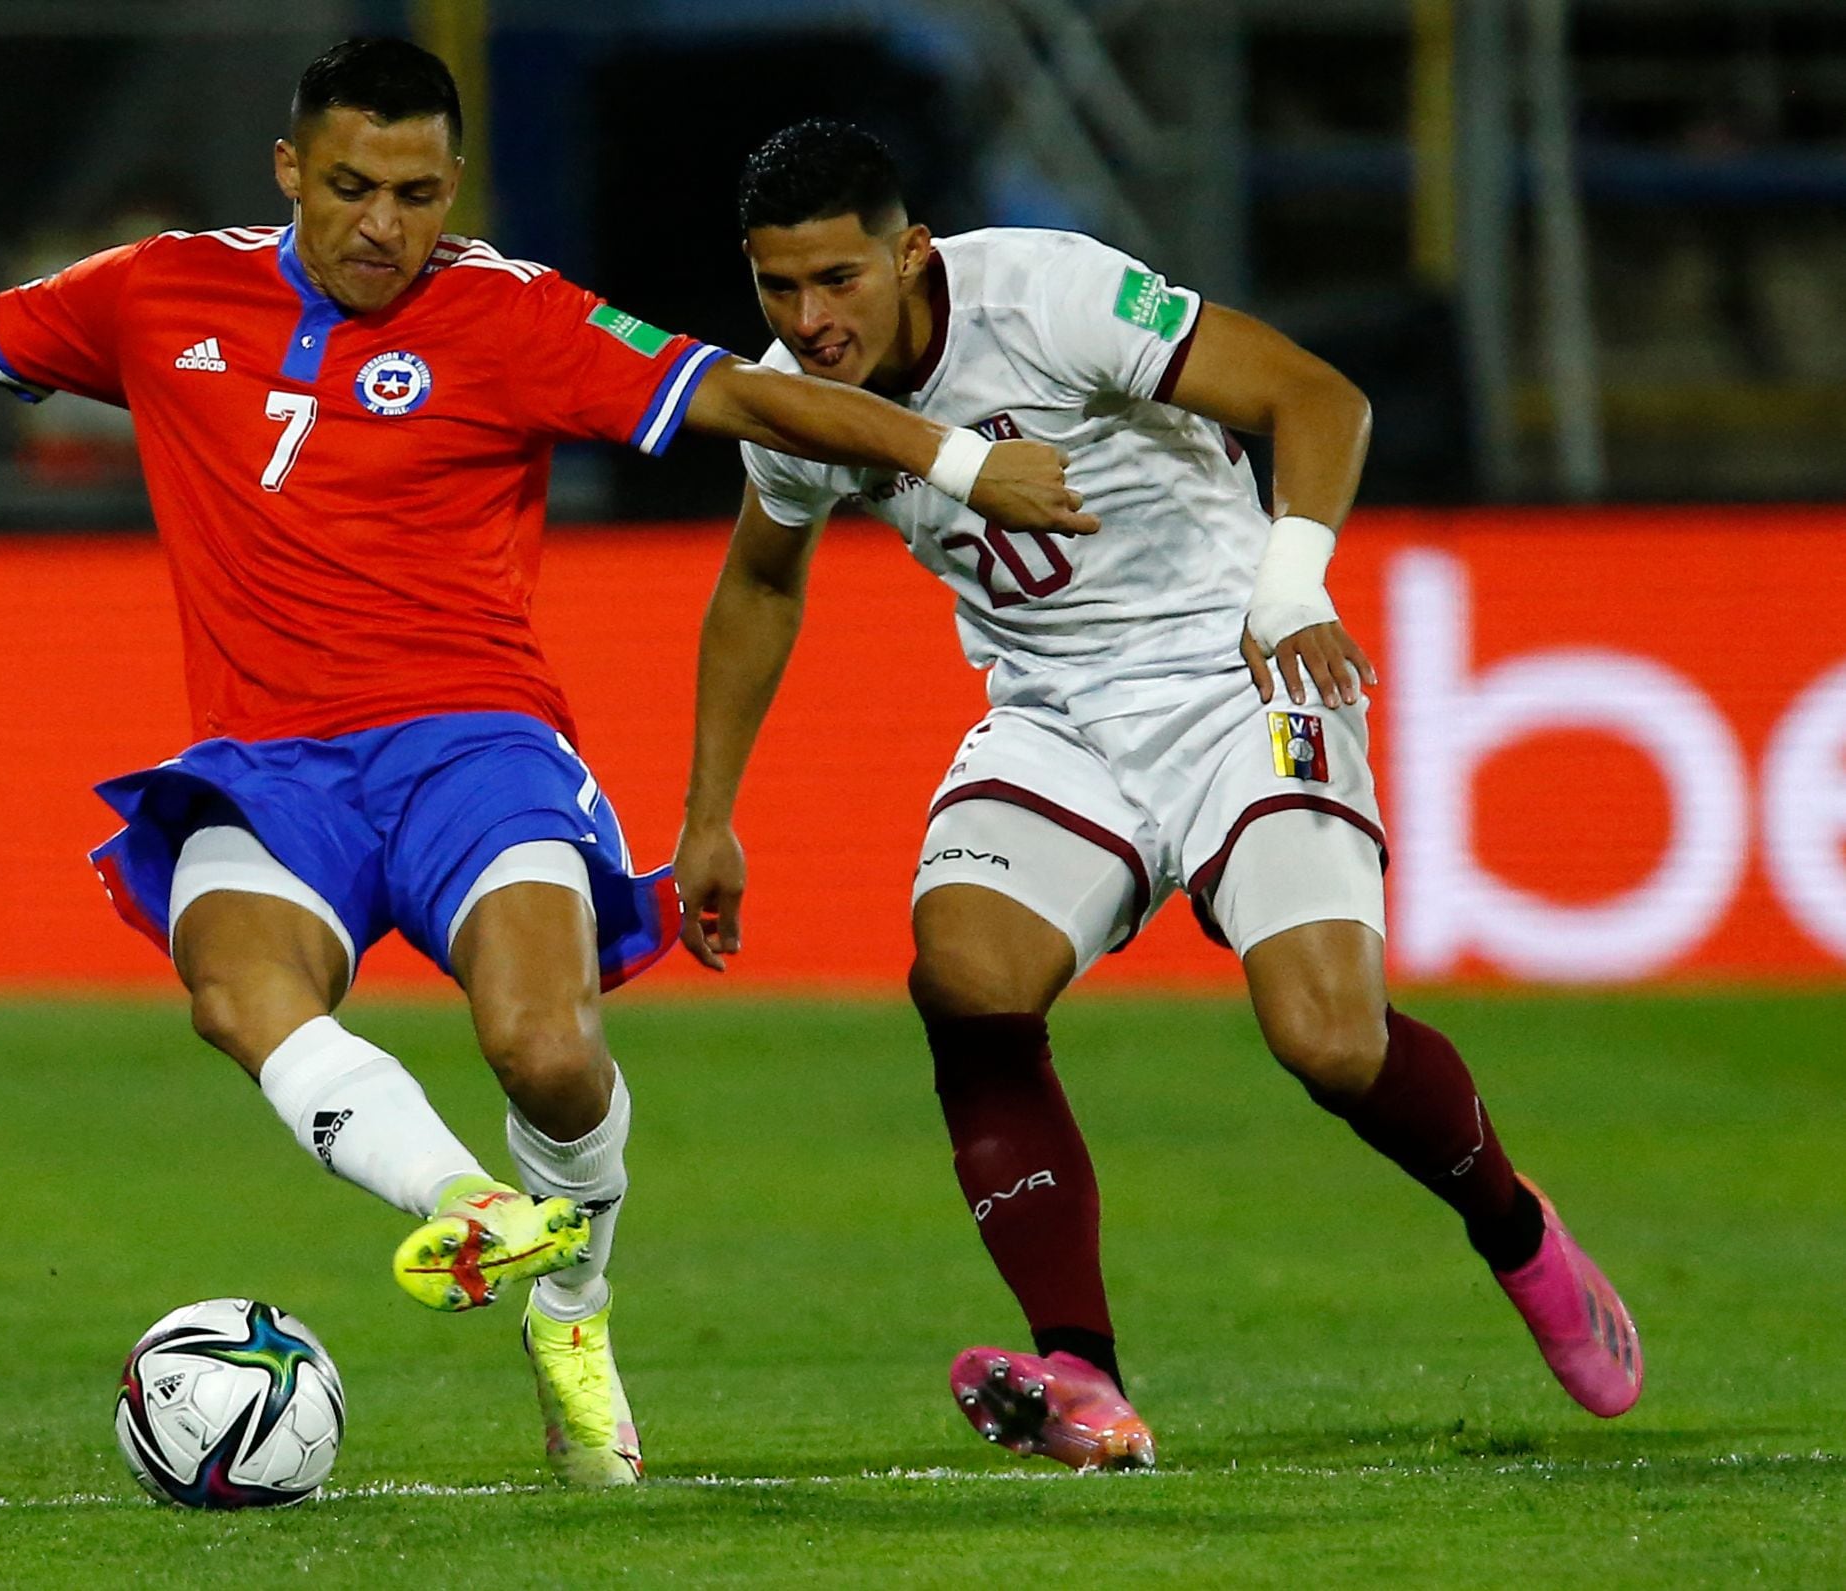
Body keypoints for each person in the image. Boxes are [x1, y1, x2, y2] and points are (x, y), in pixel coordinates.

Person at [0, 47, 1089, 1488]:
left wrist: (963, 465)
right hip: (272, 763)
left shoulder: (517, 317)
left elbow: (746, 397)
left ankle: (572, 1310)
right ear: (291, 171)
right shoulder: (158, 294)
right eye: (352, 187)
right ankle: (470, 1202)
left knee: (546, 1049)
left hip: (472, 746)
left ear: (453, 187)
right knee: (235, 990)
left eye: (418, 194)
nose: (383, 226)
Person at [672, 120, 1643, 1472]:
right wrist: (710, 810)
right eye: (778, 287)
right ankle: (1084, 1376)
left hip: (1237, 675)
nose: (809, 318)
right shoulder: (798, 401)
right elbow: (763, 581)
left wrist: (1289, 585)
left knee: (1326, 1038)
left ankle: (1517, 1231)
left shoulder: (1051, 296)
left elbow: (1318, 399)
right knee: (965, 980)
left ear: (910, 253)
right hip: (1057, 718)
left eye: (837, 279)